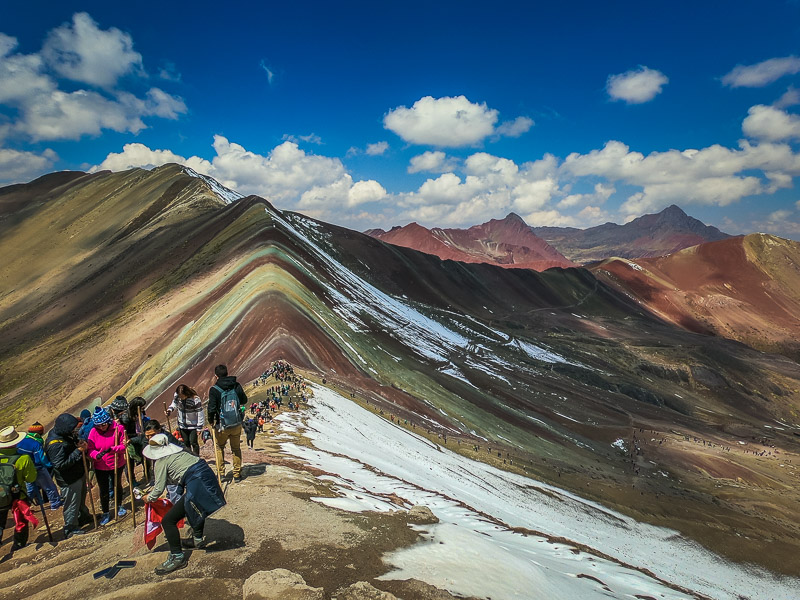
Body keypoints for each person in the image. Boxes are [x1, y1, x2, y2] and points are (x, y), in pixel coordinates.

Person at [144, 434, 225, 575]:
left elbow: (158, 490)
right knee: (193, 506)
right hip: (205, 475)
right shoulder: (180, 452)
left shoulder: (161, 462)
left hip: (197, 481)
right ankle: (197, 539)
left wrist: (148, 497)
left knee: (168, 520)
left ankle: (178, 557)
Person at [45, 414, 90, 538]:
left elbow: (70, 442)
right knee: (72, 503)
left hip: (77, 473)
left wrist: (77, 443)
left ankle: (83, 517)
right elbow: (60, 464)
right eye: (72, 428)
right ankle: (70, 528)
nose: (74, 430)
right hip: (69, 479)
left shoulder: (63, 434)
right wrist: (78, 451)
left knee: (80, 499)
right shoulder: (54, 444)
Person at [86, 407, 127, 525]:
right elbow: (90, 449)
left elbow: (124, 446)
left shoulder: (118, 429)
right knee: (103, 489)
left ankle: (119, 505)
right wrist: (95, 455)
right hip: (100, 465)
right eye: (98, 425)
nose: (101, 427)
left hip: (116, 463)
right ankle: (105, 512)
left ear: (108, 421)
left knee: (117, 485)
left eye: (103, 425)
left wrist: (113, 449)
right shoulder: (93, 432)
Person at [207, 364, 247, 482]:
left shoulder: (214, 389)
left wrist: (211, 421)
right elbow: (244, 400)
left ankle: (221, 474)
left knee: (219, 447)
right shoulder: (236, 385)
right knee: (236, 448)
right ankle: (236, 474)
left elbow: (212, 408)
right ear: (227, 373)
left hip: (222, 425)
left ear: (216, 376)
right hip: (236, 423)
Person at [0, 426, 37, 550]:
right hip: (18, 497)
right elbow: (31, 478)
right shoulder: (23, 459)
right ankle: (18, 545)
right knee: (20, 522)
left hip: (0, 495)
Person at [16, 422, 62, 510]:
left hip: (25, 469)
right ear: (39, 433)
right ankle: (55, 503)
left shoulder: (20, 441)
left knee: (30, 489)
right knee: (49, 486)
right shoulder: (36, 443)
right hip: (38, 468)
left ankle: (24, 506)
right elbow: (41, 458)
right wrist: (49, 465)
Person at [166, 385, 205, 456]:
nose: (181, 398)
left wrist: (199, 427)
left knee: (193, 442)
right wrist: (170, 409)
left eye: (182, 396)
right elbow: (174, 403)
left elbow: (200, 413)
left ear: (186, 393)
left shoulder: (195, 399)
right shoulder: (177, 396)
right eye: (180, 396)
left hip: (193, 425)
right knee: (186, 442)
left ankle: (196, 457)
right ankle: (189, 458)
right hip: (182, 425)